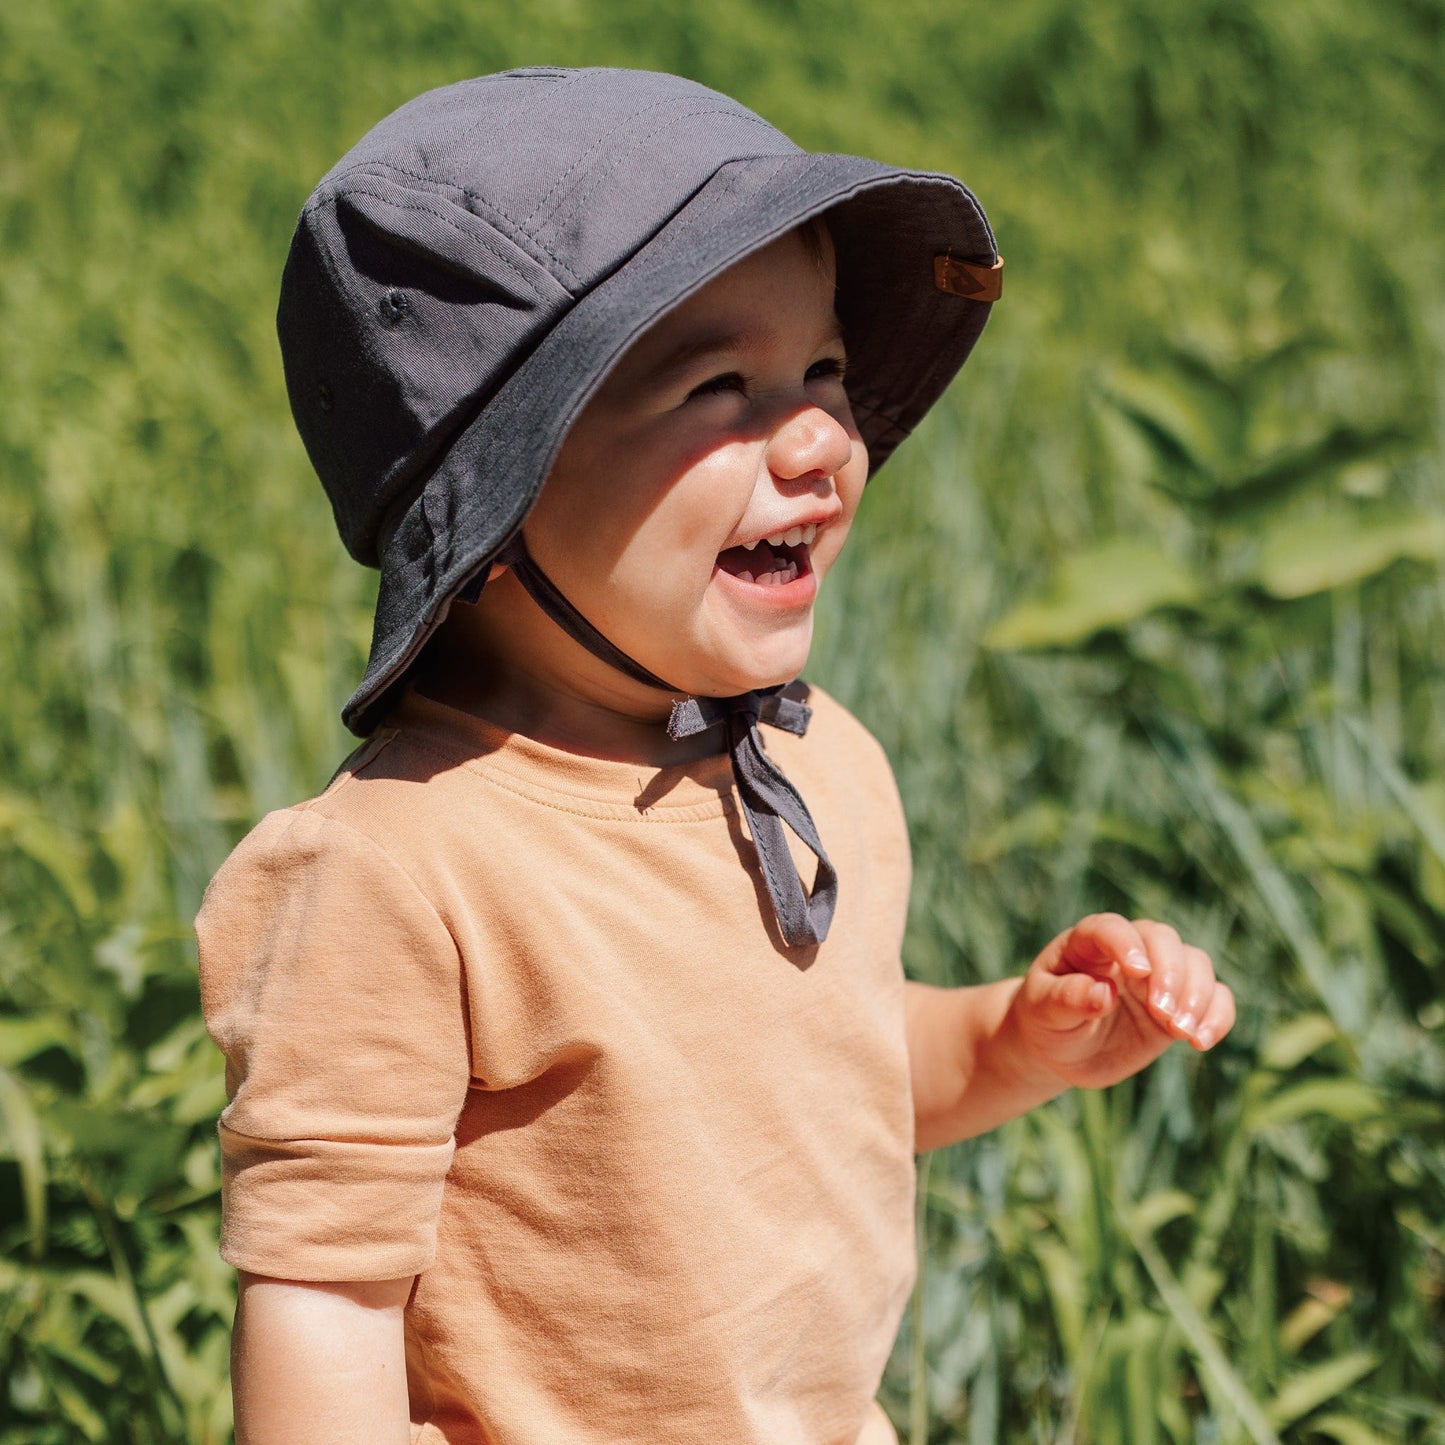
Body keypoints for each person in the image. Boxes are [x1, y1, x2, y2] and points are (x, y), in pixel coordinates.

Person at [196, 67, 1235, 1445]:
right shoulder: (404, 865)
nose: (817, 436)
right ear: (494, 510)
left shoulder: (815, 768)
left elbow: (829, 1082)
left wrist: (1009, 1039)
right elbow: (324, 1302)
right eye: (720, 388)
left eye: (821, 372)